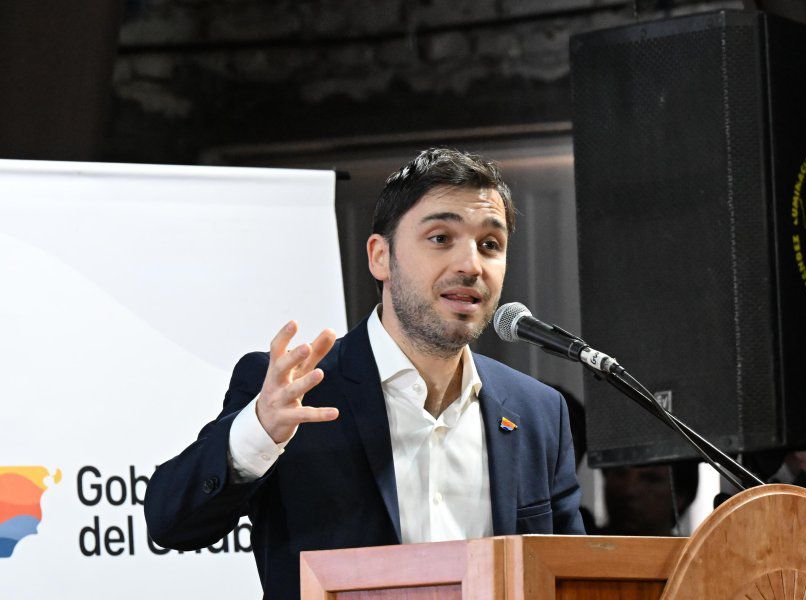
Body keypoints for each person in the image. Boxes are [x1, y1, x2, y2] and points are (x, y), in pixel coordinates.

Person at [144, 148, 586, 599]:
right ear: (380, 257)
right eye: (440, 238)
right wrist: (257, 432)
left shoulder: (537, 411)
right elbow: (170, 524)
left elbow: (572, 577)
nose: (471, 265)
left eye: (490, 244)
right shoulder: (298, 394)